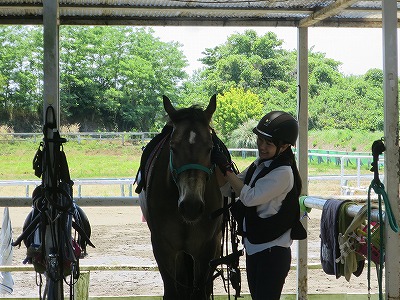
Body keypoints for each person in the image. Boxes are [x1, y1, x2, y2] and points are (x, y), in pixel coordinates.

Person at [212, 111, 307, 300]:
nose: (261, 147)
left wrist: (227, 168)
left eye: (268, 143)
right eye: (260, 140)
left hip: (272, 252)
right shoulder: (260, 164)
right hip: (256, 248)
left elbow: (248, 197)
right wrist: (216, 163)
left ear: (285, 146)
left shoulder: (283, 172)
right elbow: (230, 189)